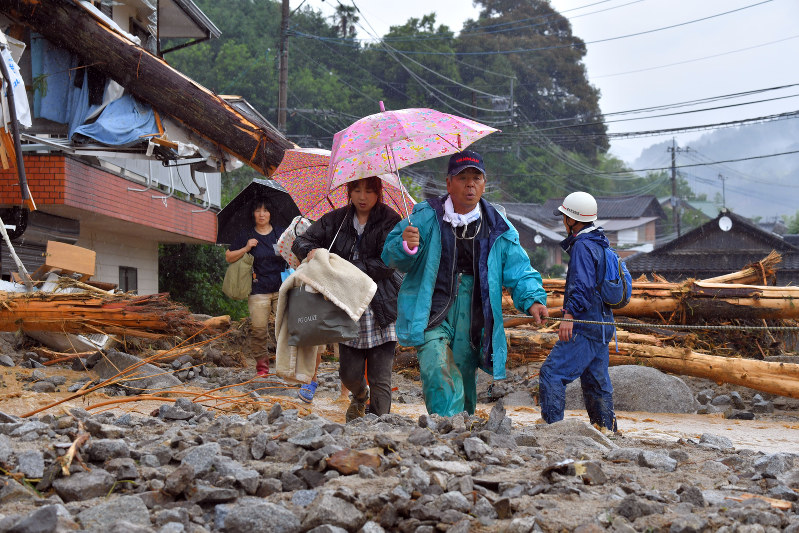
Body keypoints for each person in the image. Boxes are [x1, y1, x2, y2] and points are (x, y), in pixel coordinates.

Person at [382, 150, 548, 417]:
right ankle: (448, 426)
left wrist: (534, 299)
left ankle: (465, 430)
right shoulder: (424, 218)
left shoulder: (498, 226)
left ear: (484, 184)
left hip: (473, 313)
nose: (470, 184)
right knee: (436, 364)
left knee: (462, 373)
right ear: (449, 184)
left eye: (476, 178)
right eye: (462, 178)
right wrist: (405, 245)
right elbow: (391, 256)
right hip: (432, 307)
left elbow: (519, 269)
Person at [292, 176, 402, 421]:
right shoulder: (336, 219)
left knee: (380, 376)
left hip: (381, 306)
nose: (363, 197)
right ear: (349, 192)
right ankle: (360, 396)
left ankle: (379, 427)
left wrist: (349, 268)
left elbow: (388, 262)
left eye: (369, 191)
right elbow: (301, 240)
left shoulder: (391, 220)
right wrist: (309, 252)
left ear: (379, 193)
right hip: (347, 305)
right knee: (348, 373)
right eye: (357, 190)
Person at [538, 191, 617, 431]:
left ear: (573, 220)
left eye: (565, 217)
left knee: (552, 373)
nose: (563, 221)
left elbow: (581, 285)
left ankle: (554, 431)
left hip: (584, 324)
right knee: (596, 383)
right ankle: (607, 432)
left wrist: (569, 315)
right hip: (603, 327)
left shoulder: (583, 245)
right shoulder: (601, 243)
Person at [226, 198, 287, 377]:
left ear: (270, 214)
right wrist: (246, 247)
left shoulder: (280, 233)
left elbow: (293, 253)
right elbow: (229, 256)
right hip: (258, 290)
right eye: (258, 210)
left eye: (265, 211)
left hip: (281, 289)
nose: (262, 214)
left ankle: (285, 367)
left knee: (285, 328)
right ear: (253, 214)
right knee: (259, 330)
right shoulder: (247, 235)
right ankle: (262, 369)